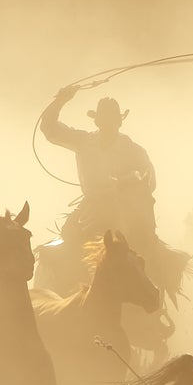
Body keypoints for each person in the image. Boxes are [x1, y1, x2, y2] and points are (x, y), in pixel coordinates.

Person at [37, 86, 158, 291]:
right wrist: (61, 100)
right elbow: (49, 128)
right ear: (97, 122)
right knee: (65, 247)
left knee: (152, 253)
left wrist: (126, 184)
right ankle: (54, 293)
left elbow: (150, 182)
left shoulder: (133, 150)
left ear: (119, 122)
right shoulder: (84, 141)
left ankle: (154, 302)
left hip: (127, 210)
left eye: (113, 120)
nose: (109, 125)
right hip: (90, 210)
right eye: (105, 120)